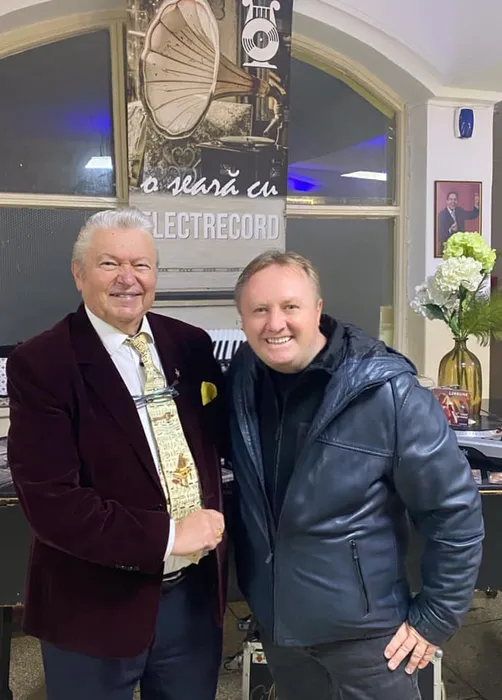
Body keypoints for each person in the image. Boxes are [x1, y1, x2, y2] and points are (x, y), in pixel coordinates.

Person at [227, 250, 484, 700]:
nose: (275, 323)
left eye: (290, 306)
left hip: (369, 642)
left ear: (318, 310)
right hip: (281, 631)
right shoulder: (243, 379)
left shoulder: (388, 392)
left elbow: (454, 513)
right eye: (259, 310)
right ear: (243, 320)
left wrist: (434, 619)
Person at [7, 208, 227, 700]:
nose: (128, 278)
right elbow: (52, 503)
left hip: (191, 602)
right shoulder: (41, 363)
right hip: (92, 605)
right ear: (78, 273)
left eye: (141, 265)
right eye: (110, 263)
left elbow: (222, 441)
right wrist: (170, 535)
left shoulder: (190, 345)